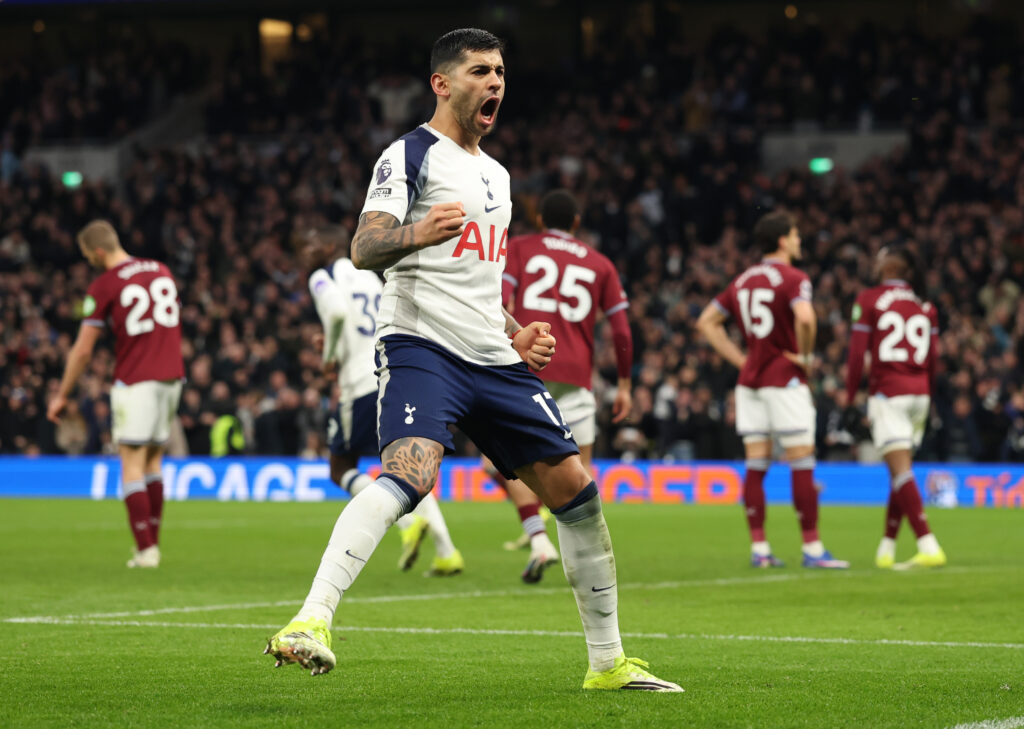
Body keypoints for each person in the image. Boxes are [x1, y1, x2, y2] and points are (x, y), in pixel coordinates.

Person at [265, 28, 682, 692]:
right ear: (442, 83)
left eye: (501, 72)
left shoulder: (497, 174)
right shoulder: (409, 155)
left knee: (576, 490)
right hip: (422, 346)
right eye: (481, 71)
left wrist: (515, 330)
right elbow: (364, 246)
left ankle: (607, 664)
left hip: (492, 355)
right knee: (413, 470)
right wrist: (416, 232)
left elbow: (480, 279)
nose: (496, 83)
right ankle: (310, 620)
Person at [298, 225, 463, 575]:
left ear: (330, 245)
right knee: (407, 465)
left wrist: (329, 357)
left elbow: (339, 315)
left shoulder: (321, 277)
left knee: (339, 466)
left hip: (357, 382)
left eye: (311, 243)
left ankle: (406, 525)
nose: (305, 251)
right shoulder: (367, 276)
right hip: (388, 372)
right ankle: (447, 552)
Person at [492, 189, 634, 583]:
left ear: (540, 220)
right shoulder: (600, 264)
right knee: (580, 475)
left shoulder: (520, 247)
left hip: (526, 365)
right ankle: (590, 573)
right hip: (575, 376)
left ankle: (538, 539)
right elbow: (621, 328)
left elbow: (499, 298)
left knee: (496, 464)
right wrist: (624, 383)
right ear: (576, 223)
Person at [696, 210, 848, 569]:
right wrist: (807, 355)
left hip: (750, 383)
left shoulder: (743, 280)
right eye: (795, 235)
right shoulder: (794, 277)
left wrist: (741, 361)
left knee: (756, 466)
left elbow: (706, 322)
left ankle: (760, 550)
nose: (799, 241)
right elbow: (806, 318)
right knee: (802, 463)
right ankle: (812, 550)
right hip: (784, 378)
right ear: (782, 240)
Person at [47, 220, 184, 568]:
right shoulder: (161, 269)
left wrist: (62, 393)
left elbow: (82, 351)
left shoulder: (105, 284)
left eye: (86, 255)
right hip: (172, 377)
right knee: (153, 460)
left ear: (97, 251)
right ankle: (152, 543)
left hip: (136, 378)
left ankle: (146, 550)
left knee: (131, 462)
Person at [845, 246, 946, 570]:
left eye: (878, 259)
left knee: (901, 471)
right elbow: (933, 360)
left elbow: (857, 354)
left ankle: (928, 544)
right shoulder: (925, 305)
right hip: (920, 394)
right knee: (898, 473)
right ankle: (886, 548)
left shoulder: (869, 299)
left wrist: (849, 398)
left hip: (890, 393)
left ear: (889, 267)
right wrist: (928, 400)